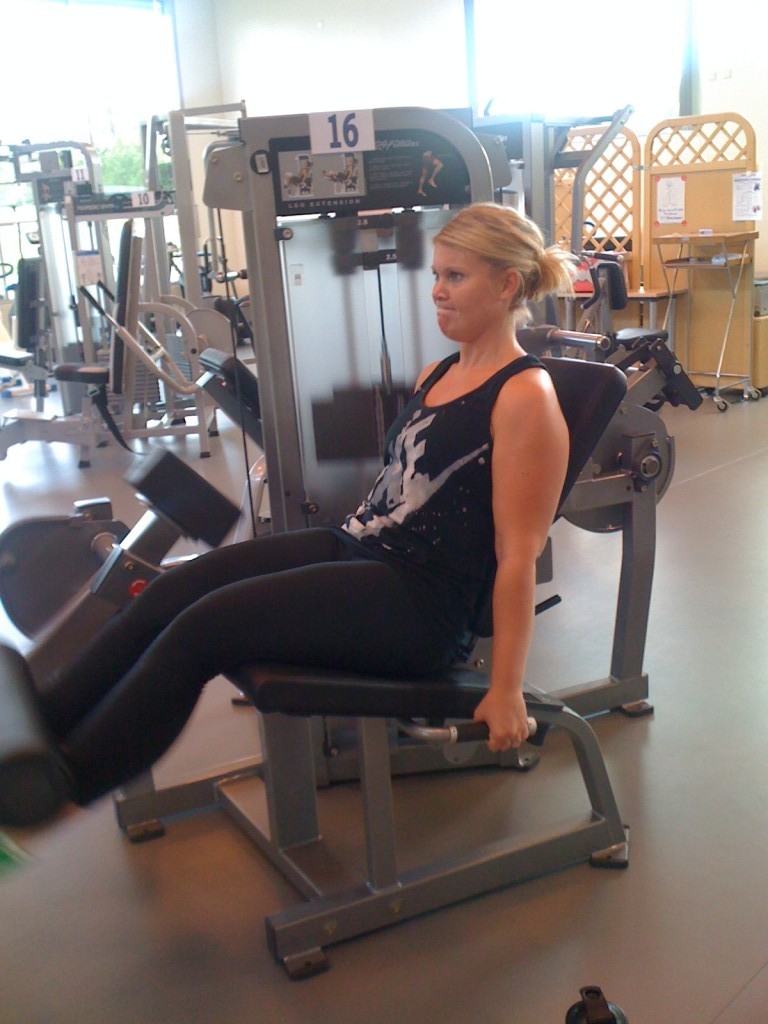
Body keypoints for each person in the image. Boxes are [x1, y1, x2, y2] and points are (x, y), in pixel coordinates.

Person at [34, 202, 574, 809]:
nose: (437, 292)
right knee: (172, 591)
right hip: (360, 546)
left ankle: (62, 783)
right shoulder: (439, 371)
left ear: (506, 285)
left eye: (456, 277)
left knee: (204, 628)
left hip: (419, 605)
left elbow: (518, 553)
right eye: (436, 275)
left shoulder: (525, 395)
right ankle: (45, 715)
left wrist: (506, 688)